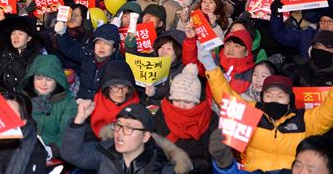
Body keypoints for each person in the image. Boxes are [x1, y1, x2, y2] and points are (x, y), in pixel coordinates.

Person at [199, 44, 333, 172]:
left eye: (280, 96)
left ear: (289, 100)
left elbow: (328, 111)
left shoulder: (304, 120)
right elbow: (225, 96)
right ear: (262, 98)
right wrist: (211, 66)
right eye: (269, 95)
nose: (274, 99)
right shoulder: (251, 113)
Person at [61, 101, 192, 173]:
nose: (120, 133)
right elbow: (70, 154)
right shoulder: (105, 152)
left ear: (145, 136)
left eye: (129, 127)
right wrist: (79, 120)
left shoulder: (160, 168)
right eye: (118, 125)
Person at [155, 63, 218, 173]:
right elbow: (152, 145)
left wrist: (188, 165)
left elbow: (212, 158)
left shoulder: (210, 118)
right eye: (177, 100)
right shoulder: (163, 111)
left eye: (187, 102)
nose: (181, 106)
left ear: (197, 102)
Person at [19, 54, 77, 159]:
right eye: (39, 78)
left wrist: (50, 151)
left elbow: (67, 136)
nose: (43, 84)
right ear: (33, 78)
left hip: (52, 154)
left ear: (57, 80)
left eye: (49, 79)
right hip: (22, 149)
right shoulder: (23, 97)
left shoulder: (68, 103)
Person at [55, 22, 122, 99]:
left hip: (102, 107)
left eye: (107, 44)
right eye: (98, 42)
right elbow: (70, 48)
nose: (102, 47)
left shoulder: (118, 65)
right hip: (81, 102)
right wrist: (62, 33)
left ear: (114, 48)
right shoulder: (88, 55)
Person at [0, 16, 43, 93]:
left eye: (20, 34)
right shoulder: (6, 55)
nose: (16, 37)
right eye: (13, 33)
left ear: (29, 38)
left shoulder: (37, 57)